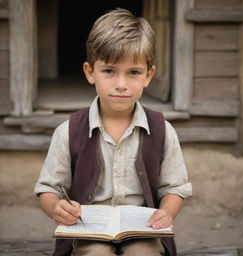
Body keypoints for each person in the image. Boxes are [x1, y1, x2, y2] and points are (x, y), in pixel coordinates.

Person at [34, 8, 192, 256]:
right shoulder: (69, 131)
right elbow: (48, 189)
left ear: (148, 75)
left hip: (142, 231)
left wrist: (166, 213)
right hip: (87, 232)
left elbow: (175, 188)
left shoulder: (162, 130)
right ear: (90, 72)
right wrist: (57, 208)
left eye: (134, 72)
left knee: (143, 254)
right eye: (109, 71)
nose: (121, 84)